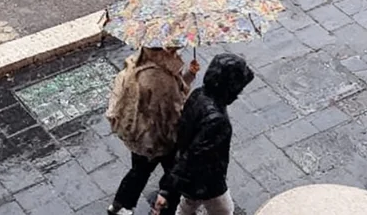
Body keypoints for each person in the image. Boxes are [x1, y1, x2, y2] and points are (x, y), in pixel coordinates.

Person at [153, 54, 255, 215]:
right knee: (224, 210)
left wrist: (168, 187)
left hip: (191, 181)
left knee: (188, 204)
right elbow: (194, 156)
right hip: (208, 182)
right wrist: (167, 190)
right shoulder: (217, 122)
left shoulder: (198, 94)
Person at [105, 47, 200, 215]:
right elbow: (174, 109)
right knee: (174, 173)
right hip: (160, 138)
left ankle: (120, 205)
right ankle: (163, 207)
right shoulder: (159, 77)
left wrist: (188, 75)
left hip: (140, 135)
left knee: (140, 171)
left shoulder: (144, 62)